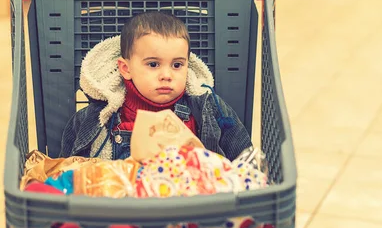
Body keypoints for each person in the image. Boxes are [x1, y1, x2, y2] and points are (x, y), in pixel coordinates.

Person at [59, 11, 252, 161]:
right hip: (123, 205)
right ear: (126, 69)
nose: (167, 75)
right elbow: (70, 168)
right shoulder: (97, 118)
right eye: (153, 64)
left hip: (189, 203)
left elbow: (244, 156)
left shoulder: (207, 109)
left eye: (177, 65)